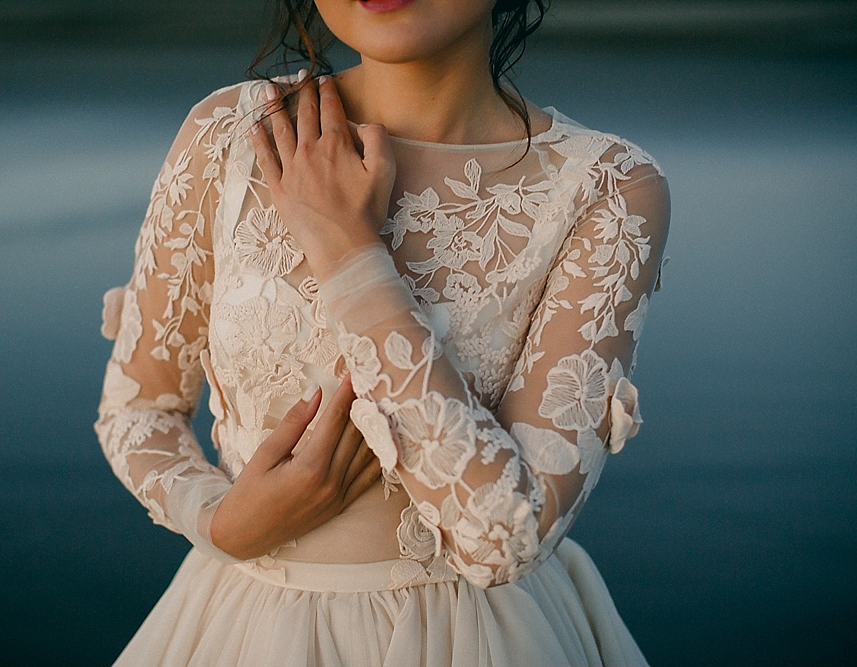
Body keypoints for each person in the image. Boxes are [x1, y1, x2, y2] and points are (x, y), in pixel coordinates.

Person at [95, 0, 670, 664]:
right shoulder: (232, 134)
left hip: (478, 639)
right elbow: (138, 407)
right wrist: (221, 521)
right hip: (246, 627)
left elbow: (500, 537)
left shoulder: (605, 188)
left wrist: (348, 252)